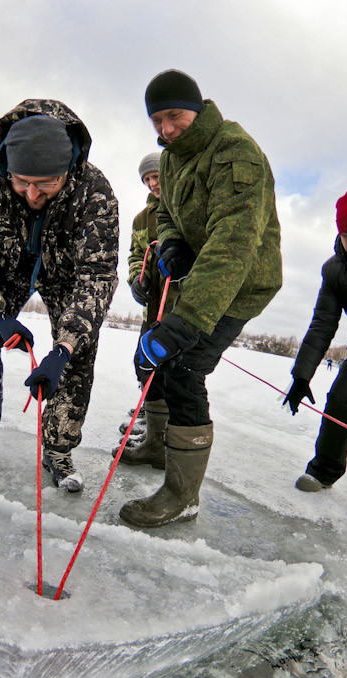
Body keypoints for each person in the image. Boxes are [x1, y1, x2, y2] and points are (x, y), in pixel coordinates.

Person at [119, 69, 282, 528]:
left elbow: (233, 243)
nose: (166, 129)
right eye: (157, 121)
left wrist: (187, 321)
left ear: (196, 108)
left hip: (240, 282)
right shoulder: (170, 160)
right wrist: (172, 242)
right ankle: (155, 445)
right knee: (157, 356)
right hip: (200, 275)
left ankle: (182, 495)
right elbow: (165, 212)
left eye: (174, 115)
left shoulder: (234, 150)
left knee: (186, 364)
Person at [0, 99, 119, 492]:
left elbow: (96, 276)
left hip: (65, 273)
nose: (31, 193)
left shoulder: (95, 192)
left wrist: (64, 348)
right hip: (8, 268)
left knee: (79, 348)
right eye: (22, 181)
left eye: (46, 184)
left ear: (67, 170)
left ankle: (58, 449)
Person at [283, 189, 347, 532]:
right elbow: (323, 324)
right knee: (339, 405)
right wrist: (301, 376)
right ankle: (324, 471)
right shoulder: (334, 271)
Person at [117, 151, 193, 469]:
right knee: (144, 364)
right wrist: (137, 278)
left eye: (156, 176)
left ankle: (166, 437)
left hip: (183, 306)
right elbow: (136, 254)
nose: (152, 183)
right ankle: (152, 422)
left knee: (174, 371)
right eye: (147, 179)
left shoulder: (188, 209)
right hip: (154, 306)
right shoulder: (140, 219)